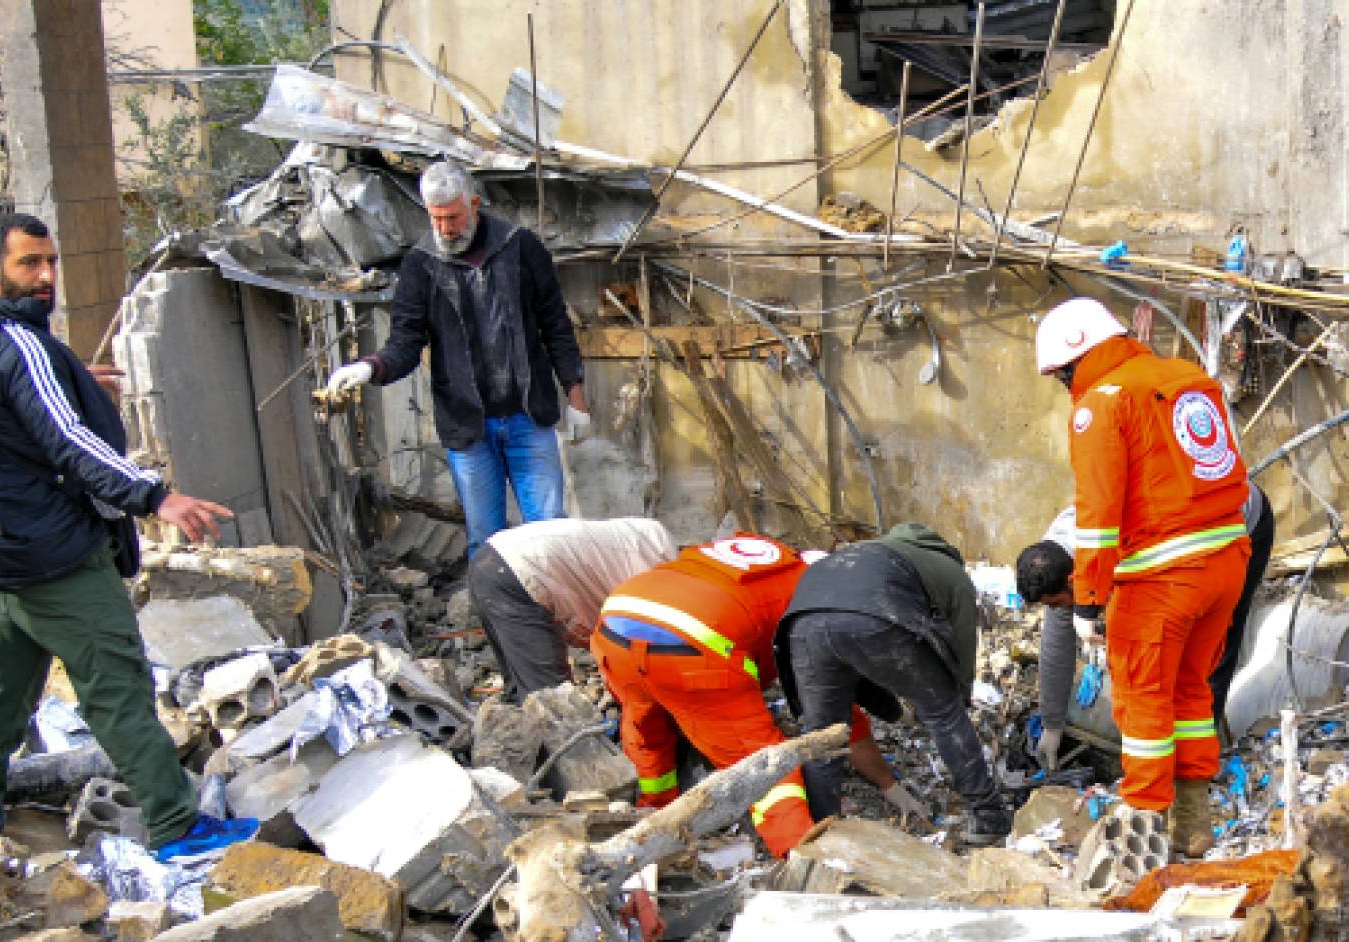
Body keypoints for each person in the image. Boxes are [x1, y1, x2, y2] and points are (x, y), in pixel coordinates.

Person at [0, 213, 255, 858]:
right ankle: (176, 828)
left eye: (50, 262)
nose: (46, 277)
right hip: (56, 562)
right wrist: (159, 496)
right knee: (119, 695)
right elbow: (68, 442)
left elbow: (16, 423)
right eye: (29, 264)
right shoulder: (18, 346)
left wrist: (74, 386)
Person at [1035, 297, 1253, 857]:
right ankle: (1194, 819)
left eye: (1062, 376)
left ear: (1072, 362)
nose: (1065, 387)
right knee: (1190, 693)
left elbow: (1098, 519)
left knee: (1143, 703)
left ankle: (1145, 830)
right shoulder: (1187, 377)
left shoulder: (1103, 404)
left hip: (1161, 575)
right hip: (1226, 557)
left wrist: (1087, 603)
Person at [592, 533, 923, 857]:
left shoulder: (769, 557)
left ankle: (654, 812)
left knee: (648, 726)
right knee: (766, 764)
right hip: (692, 649)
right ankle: (799, 856)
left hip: (616, 625)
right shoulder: (814, 608)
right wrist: (889, 785)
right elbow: (834, 709)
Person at [326, 162, 591, 558]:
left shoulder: (520, 247)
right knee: (485, 543)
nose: (446, 228)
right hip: (468, 426)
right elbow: (405, 342)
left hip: (527, 416)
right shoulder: (420, 265)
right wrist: (369, 367)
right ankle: (496, 621)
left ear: (474, 204)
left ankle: (554, 618)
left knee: (549, 531)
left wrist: (575, 397)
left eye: (453, 217)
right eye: (437, 219)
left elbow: (556, 325)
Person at [776, 524, 1011, 844]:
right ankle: (989, 818)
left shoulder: (860, 554)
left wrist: (892, 711)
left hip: (802, 623)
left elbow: (854, 658)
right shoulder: (948, 569)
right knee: (944, 714)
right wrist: (959, 696)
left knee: (823, 738)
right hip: (876, 614)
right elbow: (962, 641)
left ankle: (823, 837)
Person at [1016, 486, 1274, 769]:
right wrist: (1052, 727)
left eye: (1057, 602)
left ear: (1071, 580)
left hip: (1237, 522)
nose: (1057, 610)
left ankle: (1196, 764)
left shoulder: (1128, 549)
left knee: (1211, 646)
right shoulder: (1055, 555)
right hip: (1182, 531)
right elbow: (1056, 640)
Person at [469, 517, 677, 703]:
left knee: (521, 681)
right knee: (552, 699)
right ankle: (560, 745)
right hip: (519, 570)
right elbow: (637, 647)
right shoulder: (658, 569)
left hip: (490, 558)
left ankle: (514, 737)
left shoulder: (647, 541)